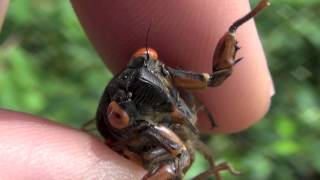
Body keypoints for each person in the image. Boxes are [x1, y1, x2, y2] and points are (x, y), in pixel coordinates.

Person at [0, 0, 273, 179]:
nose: (148, 76)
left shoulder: (154, 74)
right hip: (145, 151)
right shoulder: (148, 134)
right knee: (181, 156)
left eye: (148, 58)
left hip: (168, 141)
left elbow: (214, 78)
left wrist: (234, 28)